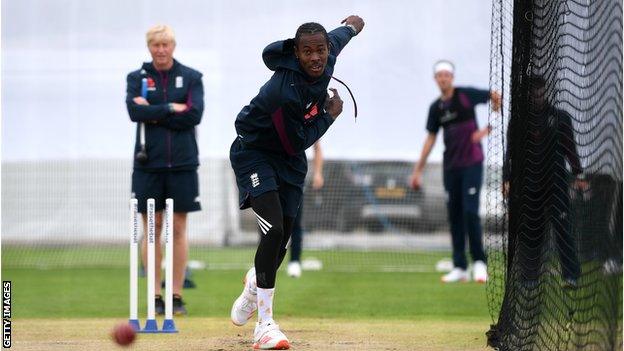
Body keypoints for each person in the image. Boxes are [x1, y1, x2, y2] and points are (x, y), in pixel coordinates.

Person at [229, 16, 364, 350]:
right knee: (272, 231)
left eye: (320, 50)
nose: (316, 57)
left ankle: (252, 286)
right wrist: (328, 116)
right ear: (296, 53)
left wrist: (352, 26)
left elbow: (340, 36)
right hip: (256, 153)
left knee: (282, 243)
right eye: (308, 52)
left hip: (289, 163)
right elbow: (297, 141)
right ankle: (264, 325)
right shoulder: (283, 91)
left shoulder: (328, 50)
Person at [126, 24, 204, 315]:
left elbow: (194, 114)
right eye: (155, 45)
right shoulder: (137, 78)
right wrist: (173, 107)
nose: (161, 50)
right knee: (153, 228)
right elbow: (135, 112)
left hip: (183, 164)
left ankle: (176, 295)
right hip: (148, 165)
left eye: (165, 45)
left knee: (179, 227)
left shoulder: (192, 77)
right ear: (149, 47)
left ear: (173, 46)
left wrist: (155, 110)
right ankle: (155, 295)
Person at [410, 60, 501, 283]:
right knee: (455, 215)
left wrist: (488, 129)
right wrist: (418, 170)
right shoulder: (436, 108)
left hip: (472, 163)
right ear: (435, 79)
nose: (443, 79)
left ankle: (479, 263)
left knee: (470, 212)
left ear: (452, 77)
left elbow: (495, 96)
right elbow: (431, 138)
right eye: (439, 75)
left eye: (447, 75)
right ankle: (460, 266)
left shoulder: (466, 95)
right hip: (451, 167)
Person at [503, 75, 586, 287]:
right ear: (528, 94)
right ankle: (530, 277)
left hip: (556, 183)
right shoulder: (520, 120)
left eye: (540, 92)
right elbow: (510, 153)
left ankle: (571, 275)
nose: (538, 97)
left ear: (545, 91)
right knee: (531, 233)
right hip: (529, 185)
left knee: (563, 229)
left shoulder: (560, 118)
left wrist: (579, 175)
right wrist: (506, 179)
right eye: (534, 93)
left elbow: (570, 149)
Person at [287, 141, 324, 278]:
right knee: (269, 223)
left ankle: (295, 262)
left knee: (295, 221)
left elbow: (317, 147)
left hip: (295, 181)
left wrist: (318, 173)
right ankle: (265, 261)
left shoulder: (306, 122)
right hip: (273, 178)